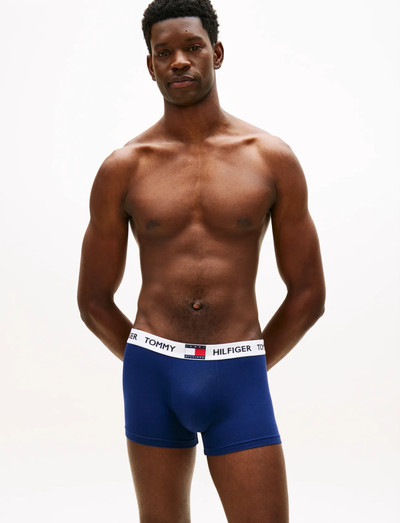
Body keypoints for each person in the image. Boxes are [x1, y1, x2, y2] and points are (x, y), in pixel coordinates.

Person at [77, 0, 325, 521]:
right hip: (152, 375)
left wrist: (245, 365)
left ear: (217, 53)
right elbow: (93, 299)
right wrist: (151, 362)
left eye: (192, 47)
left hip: (238, 373)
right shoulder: (124, 167)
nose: (179, 61)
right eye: (163, 52)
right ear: (150, 66)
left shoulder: (270, 158)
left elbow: (308, 294)